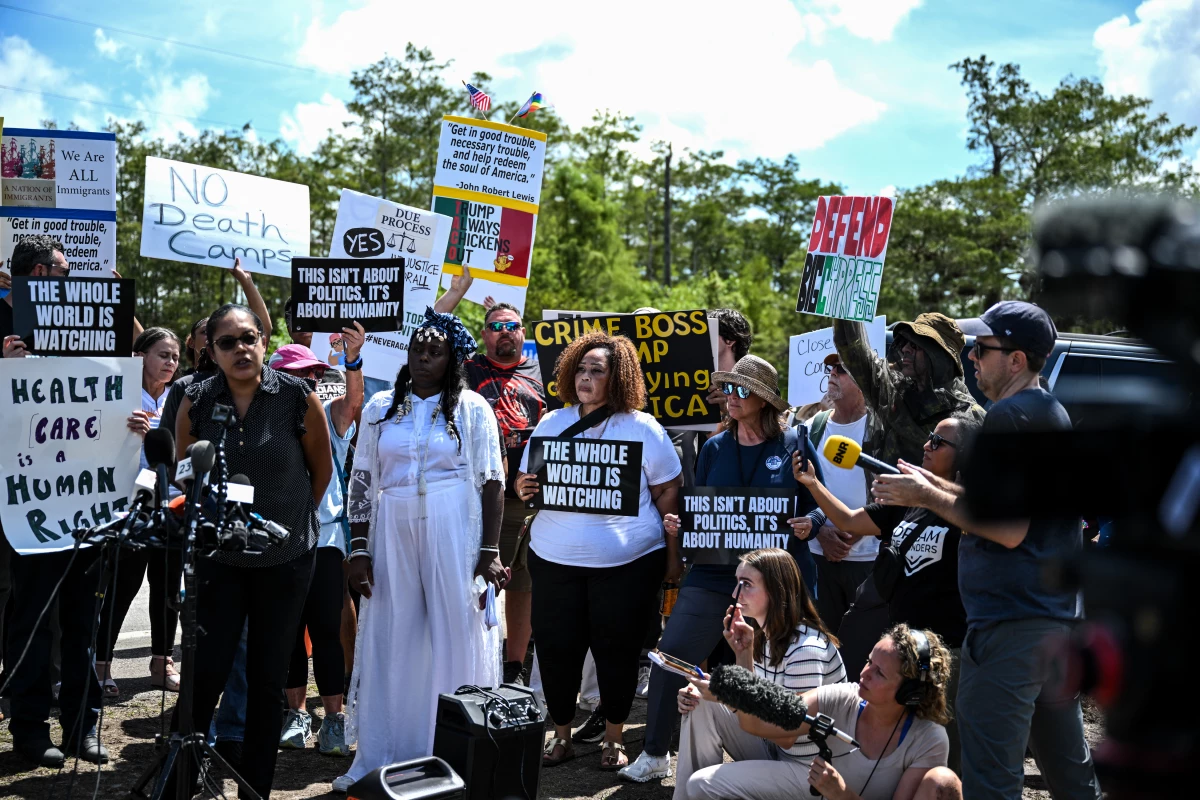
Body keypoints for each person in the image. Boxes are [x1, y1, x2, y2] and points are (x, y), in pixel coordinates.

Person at [870, 301, 1101, 800]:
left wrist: (926, 495)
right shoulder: (1047, 412)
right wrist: (933, 484)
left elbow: (1010, 528)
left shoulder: (1010, 417)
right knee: (1069, 775)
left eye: (983, 347)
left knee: (990, 781)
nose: (972, 356)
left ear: (1016, 360)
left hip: (1011, 629)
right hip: (1049, 624)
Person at [621, 354, 826, 783]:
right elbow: (705, 511)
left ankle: (792, 754)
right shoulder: (713, 447)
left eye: (739, 390)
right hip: (716, 573)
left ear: (763, 400)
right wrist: (681, 525)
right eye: (726, 389)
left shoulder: (795, 444)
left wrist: (815, 523)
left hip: (779, 579)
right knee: (668, 657)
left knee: (786, 667)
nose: (728, 397)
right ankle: (656, 752)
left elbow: (817, 504)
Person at [335, 308, 505, 793]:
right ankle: (390, 751)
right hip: (392, 527)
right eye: (418, 349)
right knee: (394, 635)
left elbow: (493, 481)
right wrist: (360, 548)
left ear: (451, 359)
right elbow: (363, 479)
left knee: (457, 632)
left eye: (436, 351)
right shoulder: (380, 407)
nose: (425, 357)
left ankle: (456, 751)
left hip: (455, 526)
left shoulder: (473, 408)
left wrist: (489, 550)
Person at [169, 303, 332, 799]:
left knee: (266, 680)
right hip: (218, 558)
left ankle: (254, 788)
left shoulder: (297, 397)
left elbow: (320, 473)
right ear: (209, 350)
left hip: (284, 560)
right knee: (206, 673)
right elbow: (183, 471)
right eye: (227, 341)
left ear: (264, 340)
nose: (241, 348)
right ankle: (182, 781)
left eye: (249, 337)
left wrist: (284, 522)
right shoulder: (194, 400)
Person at [515, 331, 682, 771]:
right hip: (553, 561)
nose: (586, 376)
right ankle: (562, 735)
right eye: (581, 368)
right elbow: (526, 481)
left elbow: (668, 491)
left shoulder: (643, 428)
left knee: (618, 651)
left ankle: (613, 738)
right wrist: (523, 485)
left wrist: (670, 555)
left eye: (597, 370)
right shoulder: (551, 423)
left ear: (619, 378)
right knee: (555, 649)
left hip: (627, 565)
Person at [794, 411, 983, 774]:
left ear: (964, 456)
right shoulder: (906, 497)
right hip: (904, 646)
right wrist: (813, 484)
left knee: (945, 745)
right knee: (904, 738)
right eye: (929, 436)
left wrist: (935, 494)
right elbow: (850, 521)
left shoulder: (968, 509)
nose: (927, 445)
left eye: (939, 442)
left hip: (949, 649)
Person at [1, 235, 110, 767]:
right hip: (29, 505)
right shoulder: (3, 327)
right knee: (33, 619)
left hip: (83, 499)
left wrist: (129, 422)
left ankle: (82, 727)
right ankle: (28, 729)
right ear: (43, 274)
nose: (72, 283)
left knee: (82, 621)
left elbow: (107, 391)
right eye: (65, 274)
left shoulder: (84, 326)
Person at [684, 623, 961, 800]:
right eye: (868, 662)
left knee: (944, 783)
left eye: (879, 673)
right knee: (700, 785)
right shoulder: (845, 697)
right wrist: (730, 693)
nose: (864, 673)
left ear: (909, 693)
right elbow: (772, 724)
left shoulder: (928, 739)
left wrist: (842, 795)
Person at [672, 548, 847, 798]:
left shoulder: (806, 650)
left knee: (702, 783)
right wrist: (742, 655)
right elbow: (757, 701)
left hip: (812, 774)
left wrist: (725, 696)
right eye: (737, 583)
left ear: (776, 591)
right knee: (699, 702)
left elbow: (787, 735)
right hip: (777, 752)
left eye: (746, 584)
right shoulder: (764, 635)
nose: (735, 594)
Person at [270, 326, 365, 757]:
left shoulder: (329, 414)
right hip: (274, 540)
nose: (306, 382)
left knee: (327, 629)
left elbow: (353, 402)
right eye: (296, 374)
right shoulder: (259, 417)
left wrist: (354, 358)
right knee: (287, 632)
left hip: (324, 537)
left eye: (312, 375)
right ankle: (295, 716)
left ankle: (333, 720)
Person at [94, 328, 187, 699]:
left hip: (172, 506)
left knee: (167, 589)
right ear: (140, 356)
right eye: (163, 354)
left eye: (175, 357)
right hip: (129, 506)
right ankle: (101, 663)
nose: (170, 363)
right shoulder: (117, 394)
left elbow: (186, 453)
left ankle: (162, 662)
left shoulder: (180, 400)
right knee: (122, 587)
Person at [462, 301, 546, 685]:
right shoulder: (470, 368)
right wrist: (460, 290)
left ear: (523, 333)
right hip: (486, 500)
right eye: (496, 326)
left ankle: (513, 667)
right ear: (484, 335)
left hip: (536, 501)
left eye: (512, 325)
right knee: (480, 581)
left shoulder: (544, 372)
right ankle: (476, 662)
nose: (505, 331)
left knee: (524, 586)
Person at [833, 314, 982, 469]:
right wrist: (847, 303)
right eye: (905, 343)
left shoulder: (969, 416)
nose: (904, 349)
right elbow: (851, 349)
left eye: (915, 345)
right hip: (885, 492)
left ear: (937, 355)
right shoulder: (892, 392)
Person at [803, 354, 881, 632]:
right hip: (818, 557)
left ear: (864, 381)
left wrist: (856, 530)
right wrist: (820, 532)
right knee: (820, 647)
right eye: (830, 368)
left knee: (862, 652)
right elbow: (797, 488)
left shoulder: (881, 428)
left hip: (869, 560)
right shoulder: (813, 428)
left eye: (841, 369)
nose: (832, 373)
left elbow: (895, 491)